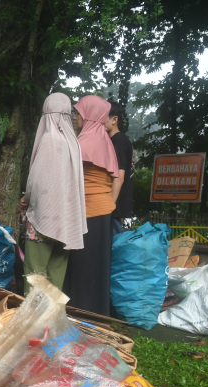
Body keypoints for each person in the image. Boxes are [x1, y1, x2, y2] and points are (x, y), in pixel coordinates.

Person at [20, 93, 87, 293]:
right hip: (65, 222)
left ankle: (32, 322)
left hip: (44, 219)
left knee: (35, 276)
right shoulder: (73, 142)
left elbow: (38, 181)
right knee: (56, 278)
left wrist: (26, 198)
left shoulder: (49, 139)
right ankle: (52, 322)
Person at [65, 95, 121, 316]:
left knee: (84, 268)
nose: (75, 117)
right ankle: (96, 314)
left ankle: (83, 314)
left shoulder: (86, 142)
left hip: (89, 212)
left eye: (79, 113)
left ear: (89, 115)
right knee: (97, 268)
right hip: (101, 210)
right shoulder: (103, 140)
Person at [106, 100, 134, 235]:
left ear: (114, 119)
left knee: (114, 248)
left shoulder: (119, 141)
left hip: (116, 209)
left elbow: (119, 176)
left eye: (103, 117)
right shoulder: (118, 140)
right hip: (120, 208)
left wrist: (109, 206)